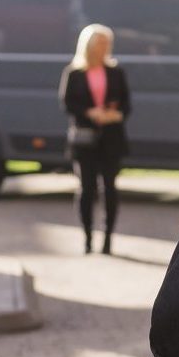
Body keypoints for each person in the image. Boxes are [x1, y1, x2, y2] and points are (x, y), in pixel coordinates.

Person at [60, 23, 130, 254]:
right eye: (99, 43)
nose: (103, 48)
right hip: (85, 139)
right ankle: (88, 237)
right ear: (88, 45)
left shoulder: (116, 72)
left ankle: (108, 237)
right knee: (87, 188)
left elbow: (127, 105)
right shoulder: (74, 73)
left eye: (106, 44)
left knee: (109, 187)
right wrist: (89, 113)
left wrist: (113, 115)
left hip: (111, 138)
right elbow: (68, 103)